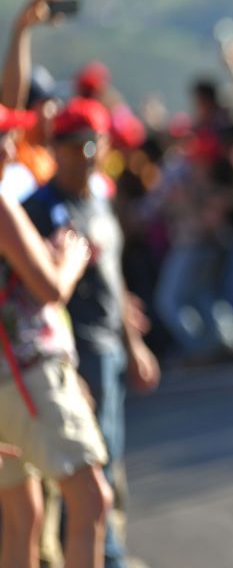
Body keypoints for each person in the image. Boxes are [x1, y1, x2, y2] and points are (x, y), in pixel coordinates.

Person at [23, 97, 160, 568]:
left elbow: (114, 276)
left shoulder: (99, 199)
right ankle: (106, 558)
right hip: (71, 354)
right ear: (58, 147)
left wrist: (134, 342)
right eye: (73, 144)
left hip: (108, 346)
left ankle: (107, 551)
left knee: (109, 461)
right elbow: (34, 294)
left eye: (91, 144)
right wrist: (63, 361)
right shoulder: (37, 210)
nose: (84, 154)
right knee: (84, 472)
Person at [0, 103, 108, 568]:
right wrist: (71, 258)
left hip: (13, 377)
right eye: (4, 136)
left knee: (22, 516)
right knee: (90, 497)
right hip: (25, 374)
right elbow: (49, 288)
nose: (11, 145)